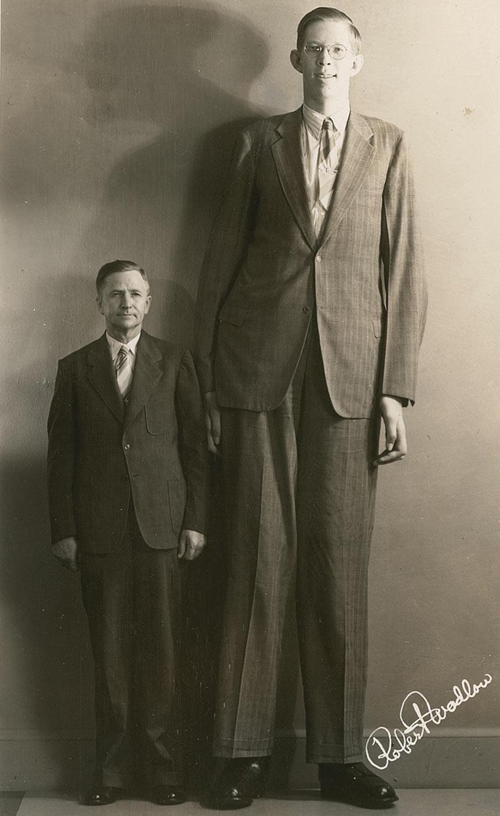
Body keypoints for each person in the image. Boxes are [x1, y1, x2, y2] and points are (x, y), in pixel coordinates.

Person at [194, 6, 427, 811]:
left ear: (357, 61)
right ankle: (241, 754)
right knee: (255, 561)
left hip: (352, 377)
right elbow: (220, 260)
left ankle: (340, 759)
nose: (327, 60)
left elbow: (405, 271)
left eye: (339, 49)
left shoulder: (389, 145)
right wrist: (209, 382)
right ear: (296, 60)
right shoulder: (256, 144)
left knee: (338, 567)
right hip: (256, 370)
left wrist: (395, 389)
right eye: (314, 49)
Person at [47, 260, 208, 806]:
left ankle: (163, 771)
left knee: (163, 651)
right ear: (99, 303)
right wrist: (64, 529)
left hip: (163, 529)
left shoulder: (175, 361)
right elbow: (61, 457)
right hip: (99, 534)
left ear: (149, 301)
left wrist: (196, 520)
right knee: (109, 654)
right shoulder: (75, 369)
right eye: (115, 294)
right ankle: (111, 773)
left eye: (136, 293)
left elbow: (194, 449)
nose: (126, 303)